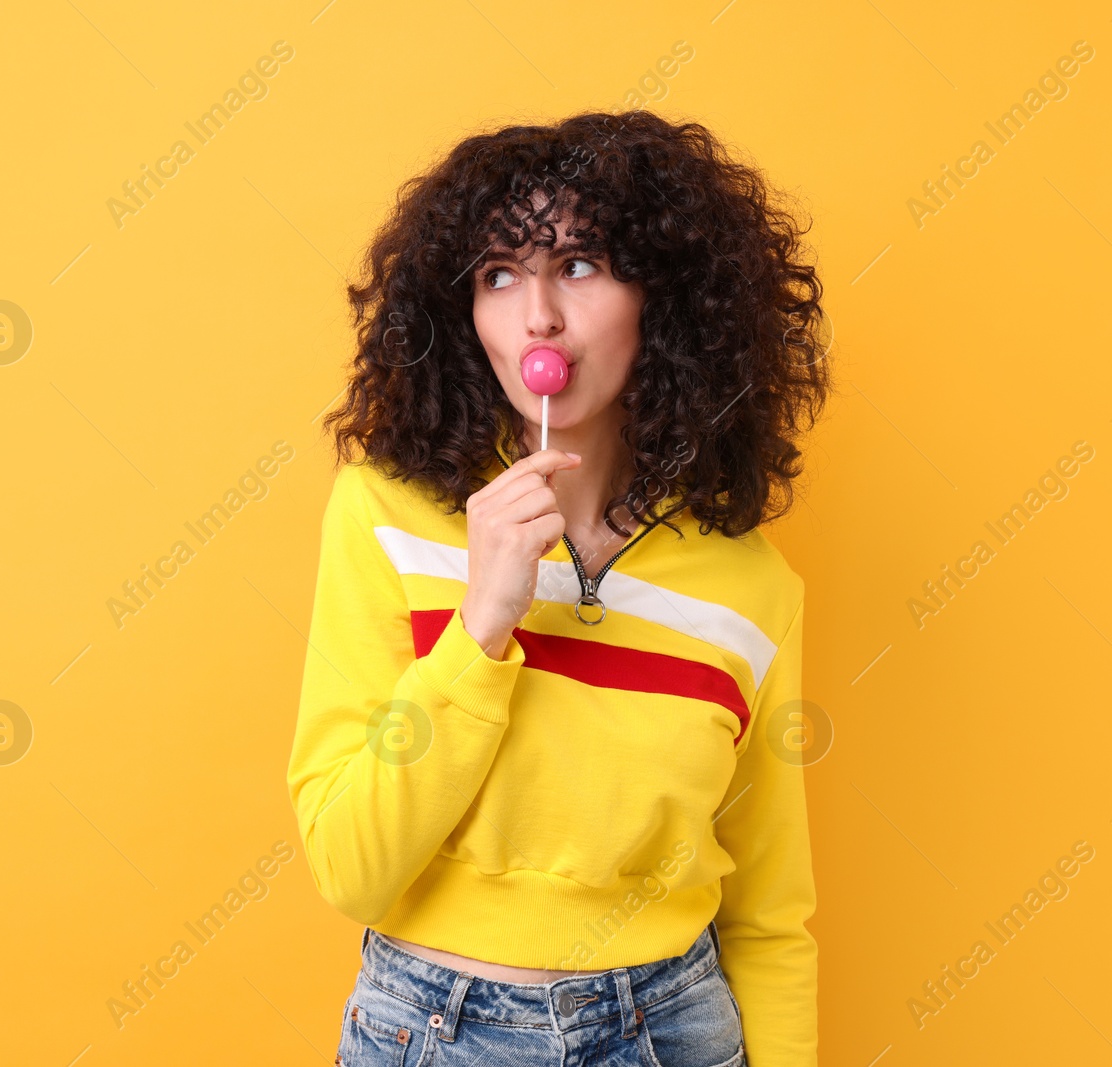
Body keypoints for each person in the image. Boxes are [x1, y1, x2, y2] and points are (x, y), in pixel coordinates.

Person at [286, 109, 832, 1066]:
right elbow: (351, 867)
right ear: (465, 320)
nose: (538, 315)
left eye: (578, 265)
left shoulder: (752, 587)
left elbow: (770, 912)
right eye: (498, 277)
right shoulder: (383, 517)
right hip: (439, 1029)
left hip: (675, 1029)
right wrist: (481, 629)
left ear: (664, 298)